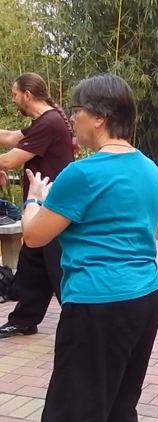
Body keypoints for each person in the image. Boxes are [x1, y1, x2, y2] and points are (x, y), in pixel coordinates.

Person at [21, 74, 158, 422]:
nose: (72, 118)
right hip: (145, 298)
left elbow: (33, 236)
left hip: (97, 303)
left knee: (75, 409)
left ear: (100, 116)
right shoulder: (148, 167)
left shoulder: (81, 173)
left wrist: (34, 200)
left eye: (76, 110)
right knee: (119, 403)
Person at [0, 72, 75, 339]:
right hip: (42, 206)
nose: (13, 99)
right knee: (32, 266)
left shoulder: (49, 122)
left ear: (27, 94)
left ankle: (81, 323)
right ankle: (24, 320)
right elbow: (10, 137)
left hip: (54, 206)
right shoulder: (44, 121)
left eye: (14, 94)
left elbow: (9, 160)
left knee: (58, 268)